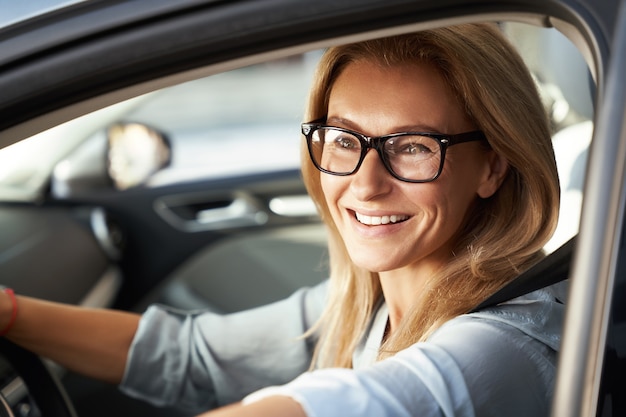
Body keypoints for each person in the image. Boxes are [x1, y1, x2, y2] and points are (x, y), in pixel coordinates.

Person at [0, 22, 563, 417]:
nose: (366, 183)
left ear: (492, 167)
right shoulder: (366, 304)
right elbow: (193, 356)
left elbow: (361, 406)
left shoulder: (507, 346)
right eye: (344, 139)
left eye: (413, 147)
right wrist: (11, 314)